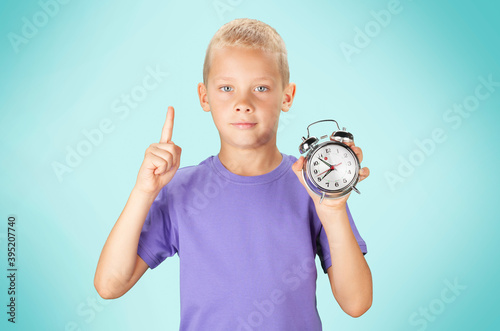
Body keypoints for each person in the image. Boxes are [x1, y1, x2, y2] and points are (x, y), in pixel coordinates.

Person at [94, 18, 372, 330]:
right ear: (204, 96)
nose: (243, 103)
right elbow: (109, 285)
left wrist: (333, 210)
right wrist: (143, 192)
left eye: (261, 88)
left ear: (287, 96)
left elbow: (357, 303)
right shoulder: (181, 189)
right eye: (227, 88)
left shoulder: (313, 187)